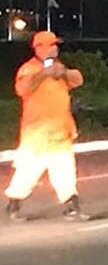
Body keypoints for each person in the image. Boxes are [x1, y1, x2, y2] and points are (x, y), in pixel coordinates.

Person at [5, 31, 88, 222]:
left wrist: (64, 73)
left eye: (55, 45)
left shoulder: (58, 68)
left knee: (65, 172)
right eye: (52, 45)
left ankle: (71, 207)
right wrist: (43, 74)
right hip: (37, 135)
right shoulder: (28, 69)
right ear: (40, 48)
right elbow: (22, 89)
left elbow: (77, 80)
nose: (55, 48)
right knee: (27, 172)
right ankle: (14, 204)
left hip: (61, 132)